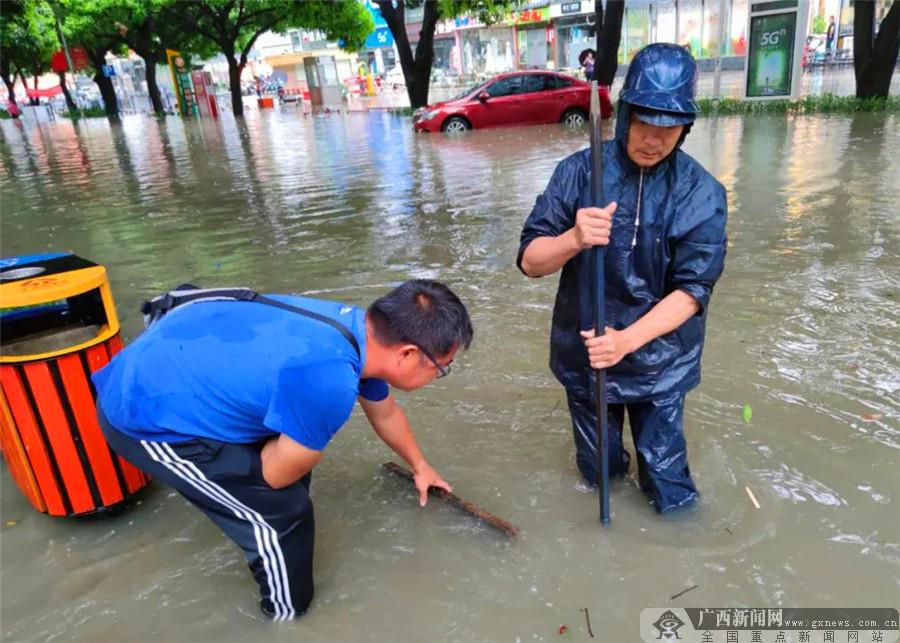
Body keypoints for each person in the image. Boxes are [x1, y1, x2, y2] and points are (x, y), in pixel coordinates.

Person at [94, 280, 473, 619]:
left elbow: (384, 410)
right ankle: (286, 616)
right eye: (441, 368)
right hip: (143, 416)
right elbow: (275, 477)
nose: (438, 377)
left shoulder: (354, 330)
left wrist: (421, 465)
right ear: (407, 354)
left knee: (292, 454)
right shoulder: (329, 381)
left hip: (163, 364)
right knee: (281, 514)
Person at [516, 43, 727, 514]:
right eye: (644, 124)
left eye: (668, 128)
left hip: (661, 358)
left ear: (685, 128)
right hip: (587, 355)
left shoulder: (702, 193)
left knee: (668, 484)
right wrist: (573, 237)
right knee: (599, 473)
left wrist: (626, 341)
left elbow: (693, 292)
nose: (653, 140)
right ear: (626, 113)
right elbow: (531, 260)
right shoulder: (576, 173)